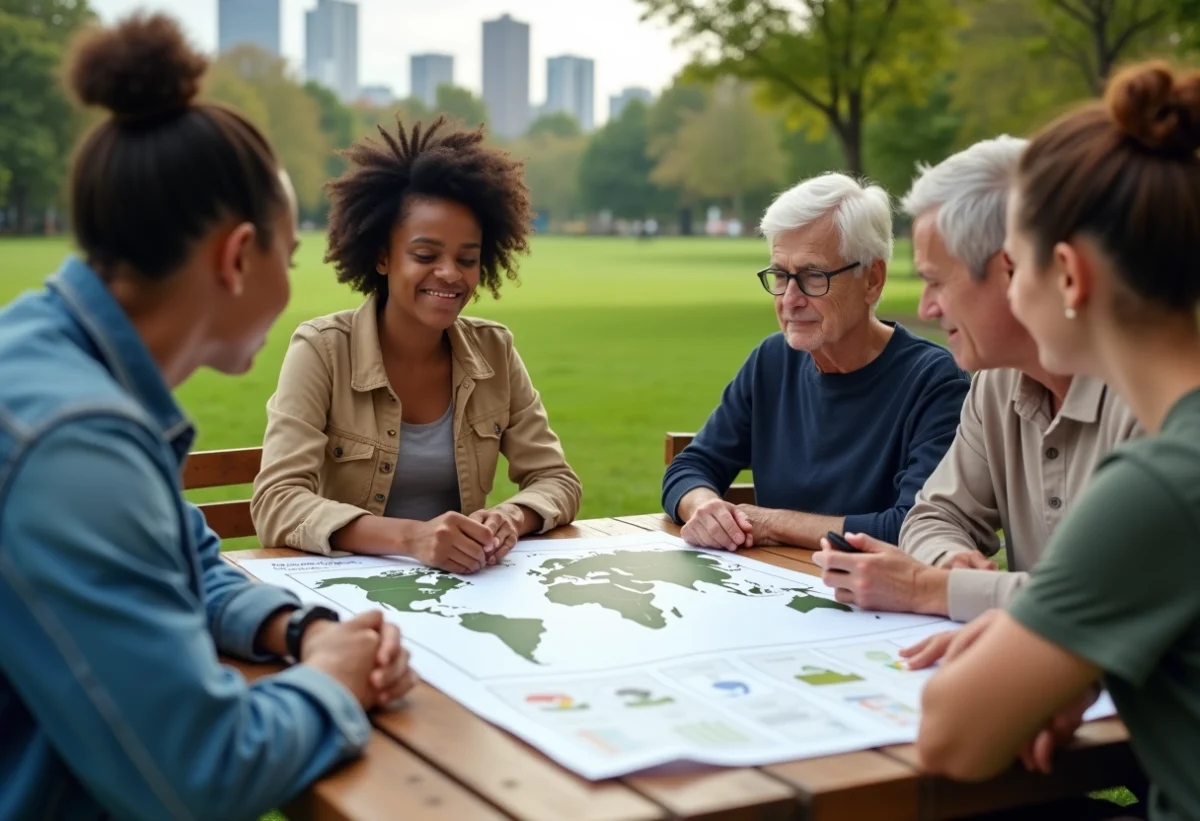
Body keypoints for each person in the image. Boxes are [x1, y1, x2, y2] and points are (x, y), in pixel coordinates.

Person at [0, 14, 415, 821]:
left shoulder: (53, 354)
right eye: (289, 259)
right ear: (236, 257)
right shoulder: (75, 442)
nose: (293, 286)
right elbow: (198, 774)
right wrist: (332, 682)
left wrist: (298, 630)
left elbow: (183, 552)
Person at [917, 62, 1200, 821]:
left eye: (1020, 262)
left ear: (1067, 276)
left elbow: (952, 735)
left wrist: (1038, 636)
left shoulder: (1166, 480)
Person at [814, 137, 1139, 622]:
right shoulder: (997, 383)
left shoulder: (1152, 398)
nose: (926, 308)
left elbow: (1119, 601)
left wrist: (936, 589)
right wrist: (950, 563)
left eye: (936, 280)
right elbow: (933, 516)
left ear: (1012, 268)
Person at [251, 116, 581, 573]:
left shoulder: (495, 350)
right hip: (353, 598)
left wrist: (511, 516)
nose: (450, 273)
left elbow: (556, 479)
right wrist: (412, 537)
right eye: (425, 256)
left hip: (463, 591)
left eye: (467, 259)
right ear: (383, 257)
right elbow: (277, 503)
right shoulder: (322, 350)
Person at [663, 173, 970, 550]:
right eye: (780, 275)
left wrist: (771, 523)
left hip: (879, 602)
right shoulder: (771, 362)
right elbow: (688, 468)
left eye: (812, 276)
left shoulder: (935, 382)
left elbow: (912, 528)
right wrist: (707, 508)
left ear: (872, 279)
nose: (790, 298)